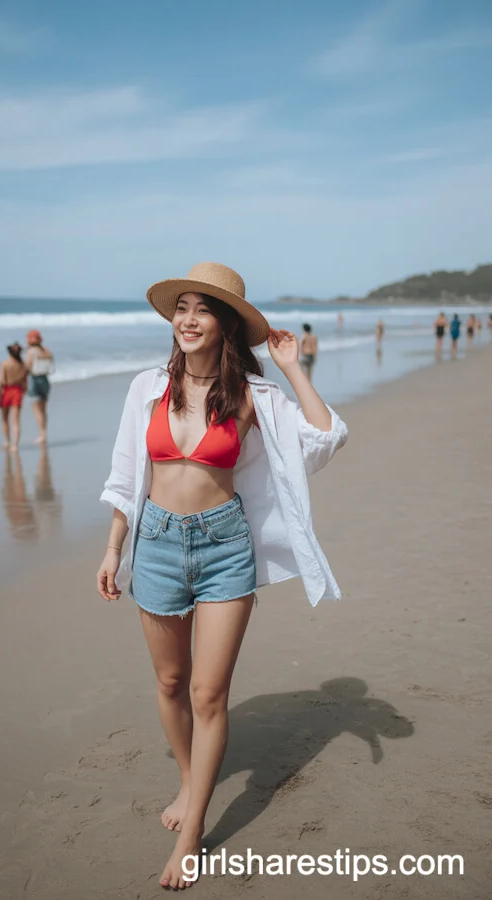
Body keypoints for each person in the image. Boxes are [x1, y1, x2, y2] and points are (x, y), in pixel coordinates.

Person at [96, 262, 348, 890]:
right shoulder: (146, 388)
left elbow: (324, 437)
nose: (187, 319)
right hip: (154, 544)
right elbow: (127, 474)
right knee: (171, 680)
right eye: (180, 307)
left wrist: (293, 367)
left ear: (225, 323)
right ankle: (188, 779)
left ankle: (192, 831)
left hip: (224, 547)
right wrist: (113, 548)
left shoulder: (253, 396)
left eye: (202, 309)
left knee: (208, 694)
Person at [0, 342, 28, 450]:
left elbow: (1, 381)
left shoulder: (5, 364)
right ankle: (15, 444)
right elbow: (25, 384)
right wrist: (22, 393)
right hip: (18, 391)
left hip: (7, 391)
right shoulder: (23, 365)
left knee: (5, 418)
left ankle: (8, 441)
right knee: (16, 420)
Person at [25, 330, 54, 444]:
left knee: (37, 410)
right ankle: (44, 433)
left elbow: (27, 367)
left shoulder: (31, 352)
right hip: (45, 380)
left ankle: (42, 434)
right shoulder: (46, 351)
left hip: (34, 379)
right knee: (43, 409)